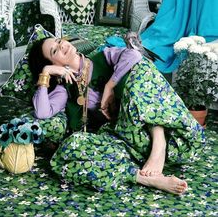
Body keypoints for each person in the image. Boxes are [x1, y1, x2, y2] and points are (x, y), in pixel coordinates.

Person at [28, 37, 205, 195]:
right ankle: (146, 178)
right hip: (124, 142)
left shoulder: (103, 57)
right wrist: (45, 73)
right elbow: (42, 112)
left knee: (141, 69)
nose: (62, 46)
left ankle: (159, 146)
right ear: (54, 64)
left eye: (60, 41)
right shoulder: (64, 88)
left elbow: (134, 56)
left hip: (163, 130)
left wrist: (110, 86)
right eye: (54, 51)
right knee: (69, 149)